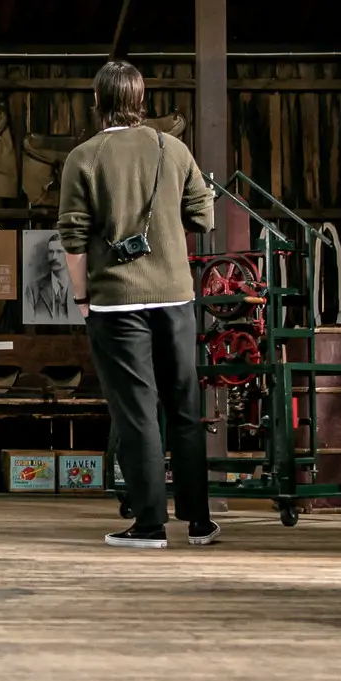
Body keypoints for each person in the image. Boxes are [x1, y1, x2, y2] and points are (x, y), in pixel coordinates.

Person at [57, 61, 217, 549]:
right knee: (185, 409)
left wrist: (83, 299)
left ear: (98, 102)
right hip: (176, 297)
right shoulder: (175, 148)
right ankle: (199, 522)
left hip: (116, 304)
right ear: (141, 100)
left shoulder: (83, 158)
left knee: (137, 413)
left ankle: (149, 526)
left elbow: (74, 240)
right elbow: (203, 218)